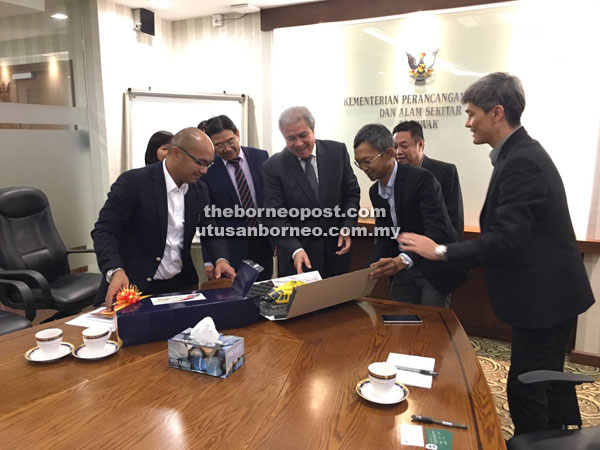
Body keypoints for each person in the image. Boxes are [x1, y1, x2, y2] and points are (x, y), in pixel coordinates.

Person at [396, 72, 595, 435]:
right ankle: (553, 439)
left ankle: (540, 442)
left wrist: (438, 250)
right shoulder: (517, 155)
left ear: (497, 113)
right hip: (545, 299)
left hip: (545, 300)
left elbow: (506, 239)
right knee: (542, 382)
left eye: (472, 113)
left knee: (527, 389)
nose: (468, 122)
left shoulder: (523, 161)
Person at [92, 127, 236, 309]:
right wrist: (114, 270)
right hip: (134, 288)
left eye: (208, 164)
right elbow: (105, 231)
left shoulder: (199, 190)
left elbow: (210, 229)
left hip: (180, 287)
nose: (204, 171)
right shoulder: (134, 183)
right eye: (200, 162)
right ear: (175, 153)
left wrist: (220, 259)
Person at [355, 124, 465, 306]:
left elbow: (438, 231)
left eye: (368, 161)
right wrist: (366, 272)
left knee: (429, 328)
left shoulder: (422, 179)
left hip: (432, 270)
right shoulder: (376, 191)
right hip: (402, 272)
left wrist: (403, 260)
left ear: (389, 153)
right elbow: (384, 236)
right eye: (359, 163)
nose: (364, 168)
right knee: (401, 324)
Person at [263, 106, 360, 277]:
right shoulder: (273, 166)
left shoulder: (337, 152)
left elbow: (351, 194)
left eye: (303, 135)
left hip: (337, 255)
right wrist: (295, 249)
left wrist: (347, 226)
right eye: (291, 138)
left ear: (313, 130)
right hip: (299, 260)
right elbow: (275, 216)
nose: (299, 143)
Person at [198, 115, 273, 281]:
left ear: (237, 134)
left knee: (265, 294)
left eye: (230, 141)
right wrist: (209, 258)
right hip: (229, 250)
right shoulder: (207, 171)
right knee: (235, 298)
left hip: (263, 243)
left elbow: (270, 199)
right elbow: (206, 217)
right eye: (219, 145)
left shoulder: (260, 157)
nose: (226, 148)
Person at [393, 120, 464, 238]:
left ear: (420, 145)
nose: (398, 152)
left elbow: (454, 222)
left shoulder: (445, 172)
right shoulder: (393, 176)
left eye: (404, 146)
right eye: (395, 147)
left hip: (435, 248)